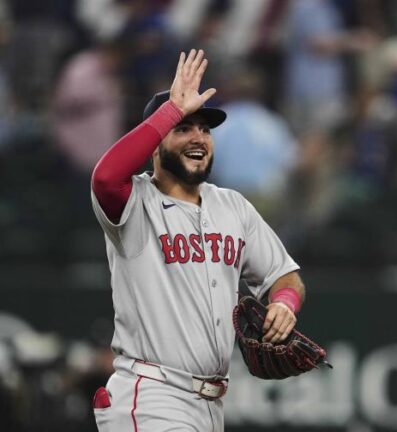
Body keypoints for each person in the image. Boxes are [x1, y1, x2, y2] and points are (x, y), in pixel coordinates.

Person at [89, 49, 305, 431]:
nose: (198, 138)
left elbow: (284, 276)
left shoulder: (233, 207)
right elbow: (105, 178)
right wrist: (170, 109)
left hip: (210, 405)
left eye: (205, 129)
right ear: (154, 143)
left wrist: (285, 304)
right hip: (152, 393)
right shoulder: (136, 203)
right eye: (184, 128)